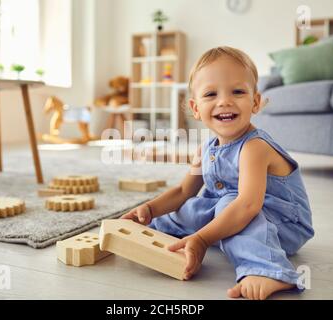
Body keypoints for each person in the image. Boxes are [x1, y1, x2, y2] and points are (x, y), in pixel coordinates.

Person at [121, 46, 314, 300]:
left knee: (227, 206)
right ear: (196, 108)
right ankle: (154, 228)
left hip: (282, 223)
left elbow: (247, 205)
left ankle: (269, 271)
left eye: (237, 92)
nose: (224, 101)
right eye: (211, 94)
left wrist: (201, 240)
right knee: (193, 207)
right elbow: (183, 191)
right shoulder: (205, 148)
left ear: (255, 102)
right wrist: (150, 209)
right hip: (230, 207)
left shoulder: (254, 147)